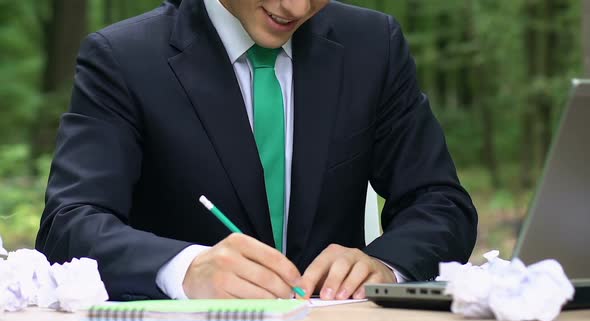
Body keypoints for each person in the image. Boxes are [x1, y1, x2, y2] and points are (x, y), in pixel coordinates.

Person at [35, 0, 478, 301]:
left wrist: (386, 264)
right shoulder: (122, 58)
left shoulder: (373, 45)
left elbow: (441, 204)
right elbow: (69, 224)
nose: (297, 8)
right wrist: (185, 269)